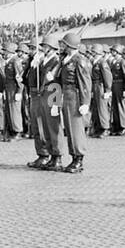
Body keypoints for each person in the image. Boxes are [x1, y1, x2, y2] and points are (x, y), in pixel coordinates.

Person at [24, 32, 62, 170]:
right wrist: (33, 64)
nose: (42, 49)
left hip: (52, 93)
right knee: (39, 126)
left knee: (52, 126)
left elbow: (56, 81)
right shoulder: (41, 60)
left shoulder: (56, 61)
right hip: (40, 94)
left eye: (44, 46)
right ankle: (43, 154)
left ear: (51, 47)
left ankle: (56, 155)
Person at [58, 30, 92, 173]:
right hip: (66, 94)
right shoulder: (66, 59)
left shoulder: (79, 60)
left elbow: (85, 82)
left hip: (75, 96)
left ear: (70, 46)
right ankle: (73, 156)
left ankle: (79, 158)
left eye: (64, 44)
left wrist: (85, 102)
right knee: (69, 128)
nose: (62, 47)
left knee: (76, 129)